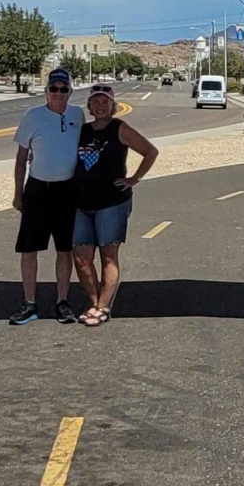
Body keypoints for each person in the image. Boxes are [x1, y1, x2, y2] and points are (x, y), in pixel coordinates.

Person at [72, 83, 159, 327]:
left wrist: (134, 179)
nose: (100, 106)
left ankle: (103, 306)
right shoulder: (82, 131)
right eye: (96, 102)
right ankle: (93, 301)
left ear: (113, 106)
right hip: (80, 203)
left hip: (111, 203)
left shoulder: (119, 128)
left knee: (108, 255)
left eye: (105, 102)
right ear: (90, 107)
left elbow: (150, 151)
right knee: (81, 257)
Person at [9, 68, 84, 325]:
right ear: (46, 91)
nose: (59, 93)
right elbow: (21, 158)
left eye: (64, 89)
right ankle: (29, 302)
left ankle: (62, 301)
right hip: (38, 189)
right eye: (54, 88)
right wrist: (18, 193)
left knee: (65, 248)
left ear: (70, 92)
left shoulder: (77, 115)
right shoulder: (33, 116)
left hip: (67, 191)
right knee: (29, 248)